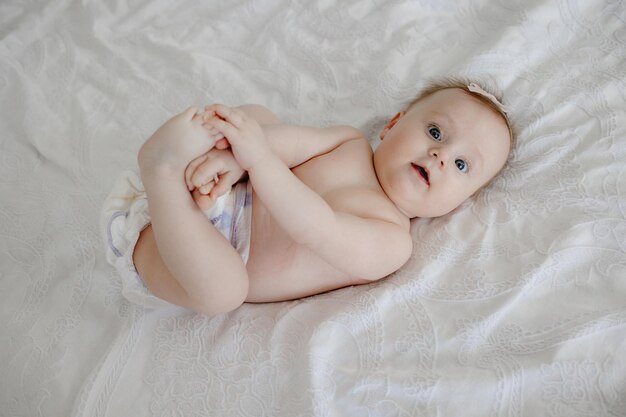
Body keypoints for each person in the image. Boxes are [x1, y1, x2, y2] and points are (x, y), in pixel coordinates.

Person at [101, 79, 513, 315]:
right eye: (436, 132)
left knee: (223, 292)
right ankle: (193, 161)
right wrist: (239, 160)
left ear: (459, 204)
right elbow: (285, 143)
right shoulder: (349, 141)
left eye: (462, 166)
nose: (440, 155)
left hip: (189, 253)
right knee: (260, 117)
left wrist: (257, 160)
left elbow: (316, 227)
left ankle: (161, 173)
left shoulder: (391, 240)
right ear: (392, 125)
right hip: (214, 187)